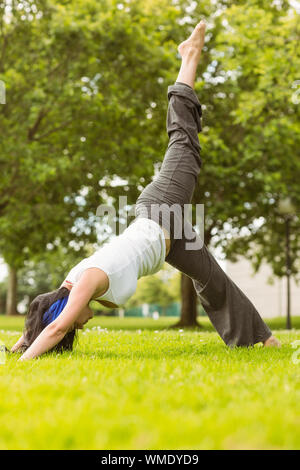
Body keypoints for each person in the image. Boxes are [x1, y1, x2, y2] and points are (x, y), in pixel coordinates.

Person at [12, 20, 280, 360]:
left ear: (65, 307)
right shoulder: (71, 283)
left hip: (160, 211)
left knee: (184, 144)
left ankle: (190, 58)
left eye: (79, 323)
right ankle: (260, 340)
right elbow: (42, 318)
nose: (85, 322)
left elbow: (55, 327)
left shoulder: (84, 282)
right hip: (168, 237)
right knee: (211, 279)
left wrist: (23, 363)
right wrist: (22, 341)